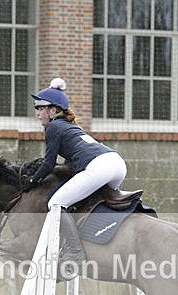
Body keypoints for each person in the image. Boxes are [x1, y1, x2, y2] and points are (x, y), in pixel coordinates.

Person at [25, 78, 127, 274]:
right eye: (36, 108)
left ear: (53, 110)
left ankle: (74, 251)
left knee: (56, 203)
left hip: (100, 167)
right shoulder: (70, 126)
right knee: (90, 199)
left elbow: (48, 163)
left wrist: (32, 180)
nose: (37, 113)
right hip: (117, 164)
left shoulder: (53, 127)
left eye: (41, 108)